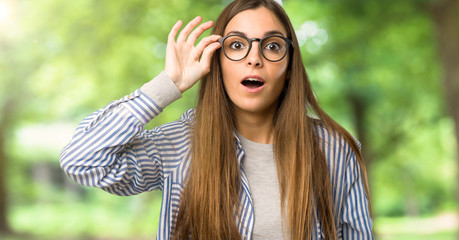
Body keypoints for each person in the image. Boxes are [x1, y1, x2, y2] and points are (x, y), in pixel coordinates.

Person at [60, 0, 374, 239]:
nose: (254, 58)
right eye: (237, 45)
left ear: (290, 65)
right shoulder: (181, 145)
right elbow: (82, 160)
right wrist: (169, 84)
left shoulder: (335, 149)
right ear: (216, 60)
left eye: (273, 46)